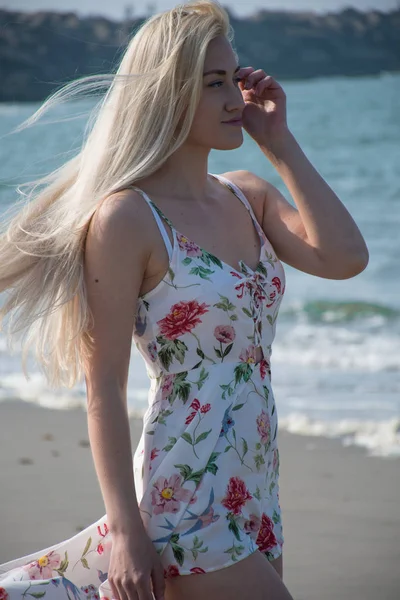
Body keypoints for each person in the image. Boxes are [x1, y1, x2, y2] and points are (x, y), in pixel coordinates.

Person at [0, 1, 369, 599]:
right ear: (170, 95)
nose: (235, 99)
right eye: (214, 83)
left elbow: (345, 258)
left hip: (256, 475)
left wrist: (280, 143)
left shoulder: (248, 196)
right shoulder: (127, 218)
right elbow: (106, 387)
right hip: (187, 485)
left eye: (235, 78)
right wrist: (125, 530)